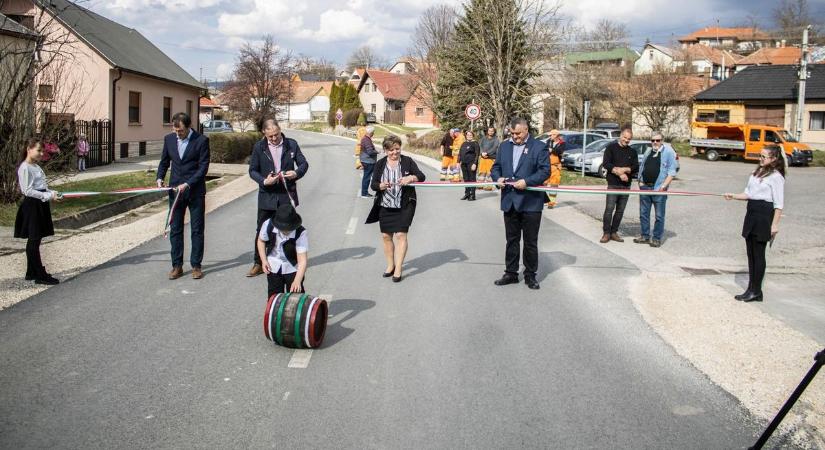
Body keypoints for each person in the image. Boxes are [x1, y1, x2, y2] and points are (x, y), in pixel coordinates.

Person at [491, 118, 550, 290]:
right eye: (512, 133)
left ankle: (530, 275)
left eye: (518, 133)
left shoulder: (539, 146)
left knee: (530, 241)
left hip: (531, 202)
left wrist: (527, 181)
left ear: (526, 130)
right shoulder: (504, 146)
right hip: (510, 200)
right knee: (512, 239)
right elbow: (496, 168)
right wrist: (497, 178)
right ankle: (511, 273)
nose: (515, 136)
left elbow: (545, 170)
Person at [247, 119, 309, 277]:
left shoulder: (291, 144)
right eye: (271, 136)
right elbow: (252, 170)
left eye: (276, 135)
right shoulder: (259, 147)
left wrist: (296, 173)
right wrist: (263, 180)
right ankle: (258, 263)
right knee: (261, 229)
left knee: (287, 229)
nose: (274, 138)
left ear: (280, 130)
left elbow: (303, 164)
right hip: (267, 194)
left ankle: (290, 259)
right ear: (264, 133)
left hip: (285, 194)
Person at [724, 146, 785, 303]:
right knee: (750, 253)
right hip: (752, 213)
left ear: (773, 159)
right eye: (760, 156)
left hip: (764, 215)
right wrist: (733, 195)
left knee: (758, 254)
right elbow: (748, 194)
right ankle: (751, 289)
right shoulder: (756, 173)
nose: (761, 158)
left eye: (764, 157)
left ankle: (756, 291)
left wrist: (775, 225)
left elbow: (779, 204)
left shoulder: (776, 177)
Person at [156, 112, 211, 280]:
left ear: (188, 127)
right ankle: (177, 266)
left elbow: (203, 168)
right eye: (175, 130)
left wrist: (188, 183)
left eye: (180, 131)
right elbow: (164, 161)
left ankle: (196, 266)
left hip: (194, 192)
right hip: (175, 192)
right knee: (176, 229)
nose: (177, 134)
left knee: (196, 230)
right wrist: (160, 177)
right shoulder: (169, 139)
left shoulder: (201, 141)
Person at [366, 134, 426, 283]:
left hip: (404, 204)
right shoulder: (380, 164)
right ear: (386, 150)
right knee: (386, 236)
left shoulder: (407, 161)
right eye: (391, 150)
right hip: (385, 205)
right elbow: (373, 184)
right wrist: (379, 186)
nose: (395, 152)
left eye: (397, 149)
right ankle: (390, 265)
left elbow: (421, 176)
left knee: (401, 235)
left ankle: (398, 268)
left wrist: (411, 178)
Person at [15, 138, 61, 285]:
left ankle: (31, 272)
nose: (41, 154)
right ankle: (40, 274)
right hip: (32, 206)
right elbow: (27, 190)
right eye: (39, 150)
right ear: (29, 149)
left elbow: (42, 186)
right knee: (34, 239)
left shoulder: (36, 166)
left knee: (37, 238)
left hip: (41, 204)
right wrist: (47, 196)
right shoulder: (25, 167)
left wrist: (53, 193)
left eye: (42, 151)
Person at [633, 132, 677, 248]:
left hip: (659, 189)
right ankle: (645, 236)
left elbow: (672, 172)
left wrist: (663, 187)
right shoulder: (648, 151)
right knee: (643, 214)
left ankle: (656, 238)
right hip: (645, 187)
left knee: (659, 215)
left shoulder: (668, 152)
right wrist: (640, 181)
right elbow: (642, 166)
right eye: (653, 140)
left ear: (662, 140)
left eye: (657, 140)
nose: (655, 143)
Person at [257, 204, 307, 298]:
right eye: (283, 228)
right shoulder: (268, 225)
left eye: (289, 228)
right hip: (273, 266)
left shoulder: (300, 232)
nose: (286, 231)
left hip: (293, 268)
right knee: (274, 298)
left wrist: (297, 280)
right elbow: (261, 241)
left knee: (296, 299)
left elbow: (302, 260)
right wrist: (263, 260)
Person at [600, 126, 638, 243]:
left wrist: (626, 170)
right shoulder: (611, 148)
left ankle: (614, 232)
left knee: (620, 210)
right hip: (613, 184)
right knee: (609, 209)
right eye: (625, 137)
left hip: (626, 186)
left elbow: (635, 167)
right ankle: (606, 233)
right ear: (620, 136)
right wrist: (619, 173)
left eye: (629, 139)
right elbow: (606, 164)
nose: (626, 140)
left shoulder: (632, 151)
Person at [545, 129, 565, 209]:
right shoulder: (548, 141)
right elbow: (545, 150)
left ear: (556, 135)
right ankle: (542, 200)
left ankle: (551, 203)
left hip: (556, 167)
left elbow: (559, 151)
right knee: (543, 183)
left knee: (554, 185)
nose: (549, 136)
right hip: (547, 165)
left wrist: (552, 150)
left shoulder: (562, 143)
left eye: (551, 135)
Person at [459, 130, 480, 201]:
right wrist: (458, 162)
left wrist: (475, 163)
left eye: (470, 135)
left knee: (472, 179)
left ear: (473, 136)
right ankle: (467, 194)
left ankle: (472, 195)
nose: (469, 136)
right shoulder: (463, 143)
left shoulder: (475, 143)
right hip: (464, 164)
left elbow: (477, 154)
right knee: (466, 179)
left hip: (471, 163)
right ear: (466, 136)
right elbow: (460, 153)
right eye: (468, 135)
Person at [478, 127, 499, 191]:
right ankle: (480, 185)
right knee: (482, 172)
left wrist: (487, 153)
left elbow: (494, 148)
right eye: (489, 131)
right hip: (483, 158)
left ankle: (489, 186)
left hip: (491, 158)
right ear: (487, 131)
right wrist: (482, 153)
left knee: (489, 173)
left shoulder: (496, 139)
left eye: (492, 131)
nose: (490, 132)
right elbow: (480, 146)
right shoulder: (483, 138)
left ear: (494, 132)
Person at [359, 126, 378, 198]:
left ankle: (365, 192)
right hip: (368, 161)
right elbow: (370, 152)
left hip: (366, 160)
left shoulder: (365, 138)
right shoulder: (366, 140)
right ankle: (364, 193)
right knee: (367, 177)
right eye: (373, 132)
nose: (373, 134)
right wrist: (377, 152)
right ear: (371, 133)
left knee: (367, 177)